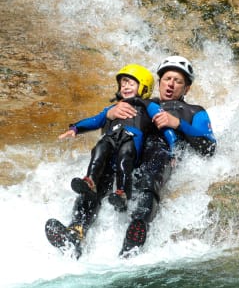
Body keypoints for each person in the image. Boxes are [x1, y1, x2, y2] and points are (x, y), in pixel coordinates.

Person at [45, 63, 162, 258]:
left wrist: (174, 147)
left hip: (130, 161)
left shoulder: (149, 106)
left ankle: (129, 242)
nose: (125, 86)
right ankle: (75, 234)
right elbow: (96, 119)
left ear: (143, 87)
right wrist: (75, 128)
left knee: (123, 172)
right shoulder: (112, 109)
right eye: (123, 83)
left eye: (131, 83)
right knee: (89, 191)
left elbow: (163, 124)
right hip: (108, 161)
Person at [108, 56, 217, 257]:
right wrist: (111, 113)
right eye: (167, 79)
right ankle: (77, 230)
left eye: (178, 81)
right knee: (103, 169)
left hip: (163, 153)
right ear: (159, 82)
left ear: (187, 89)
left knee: (152, 171)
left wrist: (178, 124)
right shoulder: (142, 104)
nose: (171, 84)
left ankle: (135, 234)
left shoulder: (194, 111)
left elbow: (209, 148)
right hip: (132, 151)